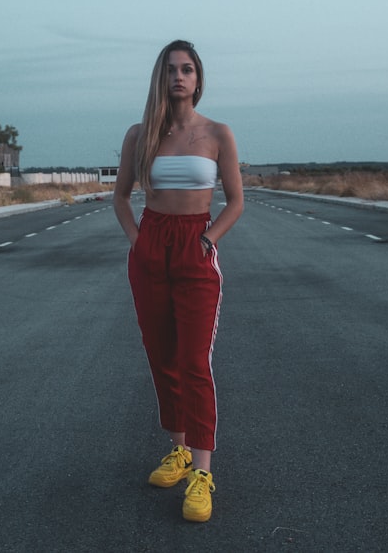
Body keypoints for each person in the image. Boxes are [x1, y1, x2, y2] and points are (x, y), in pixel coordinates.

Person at [113, 39, 244, 523]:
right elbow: (122, 197)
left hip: (194, 248)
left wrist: (208, 239)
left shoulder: (217, 133)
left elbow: (235, 201)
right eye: (171, 69)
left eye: (188, 69)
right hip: (151, 248)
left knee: (193, 360)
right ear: (160, 77)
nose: (180, 77)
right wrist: (136, 241)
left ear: (198, 77)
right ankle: (179, 449)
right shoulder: (140, 135)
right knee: (161, 355)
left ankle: (203, 473)